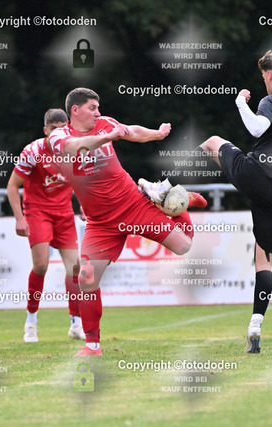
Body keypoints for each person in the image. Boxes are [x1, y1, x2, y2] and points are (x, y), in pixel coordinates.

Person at [140, 50, 272, 353]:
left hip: (255, 173)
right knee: (265, 260)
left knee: (211, 142)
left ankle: (162, 188)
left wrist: (240, 102)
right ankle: (256, 324)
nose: (265, 82)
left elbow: (257, 128)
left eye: (264, 78)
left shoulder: (271, 101)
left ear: (269, 75)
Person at [46, 87, 206, 356]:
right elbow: (75, 147)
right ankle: (92, 346)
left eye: (98, 108)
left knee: (183, 246)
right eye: (92, 108)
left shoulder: (105, 123)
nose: (97, 113)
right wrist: (107, 137)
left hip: (133, 205)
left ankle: (181, 201)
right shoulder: (59, 136)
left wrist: (157, 133)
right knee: (86, 279)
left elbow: (132, 132)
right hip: (100, 222)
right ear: (75, 110)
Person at [6, 108, 85, 343]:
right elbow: (12, 186)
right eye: (53, 129)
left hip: (64, 214)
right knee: (41, 266)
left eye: (62, 128)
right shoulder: (33, 151)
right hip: (38, 212)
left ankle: (76, 324)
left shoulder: (74, 151)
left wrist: (84, 205)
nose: (58, 133)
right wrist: (19, 218)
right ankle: (31, 323)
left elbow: (80, 182)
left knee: (75, 268)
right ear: (45, 130)